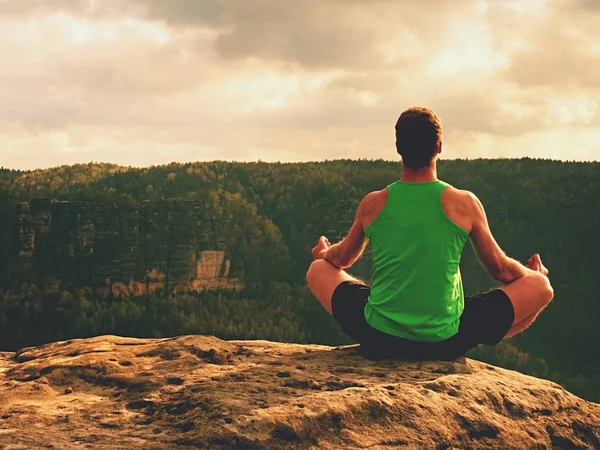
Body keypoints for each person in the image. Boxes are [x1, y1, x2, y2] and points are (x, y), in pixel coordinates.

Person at [305, 106, 554, 360]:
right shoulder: (464, 203)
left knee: (317, 269)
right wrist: (532, 274)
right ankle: (476, 338)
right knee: (542, 287)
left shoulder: (374, 203)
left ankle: (394, 324)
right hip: (445, 342)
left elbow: (342, 259)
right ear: (439, 147)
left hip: (378, 337)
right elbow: (501, 270)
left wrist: (324, 253)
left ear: (398, 148)